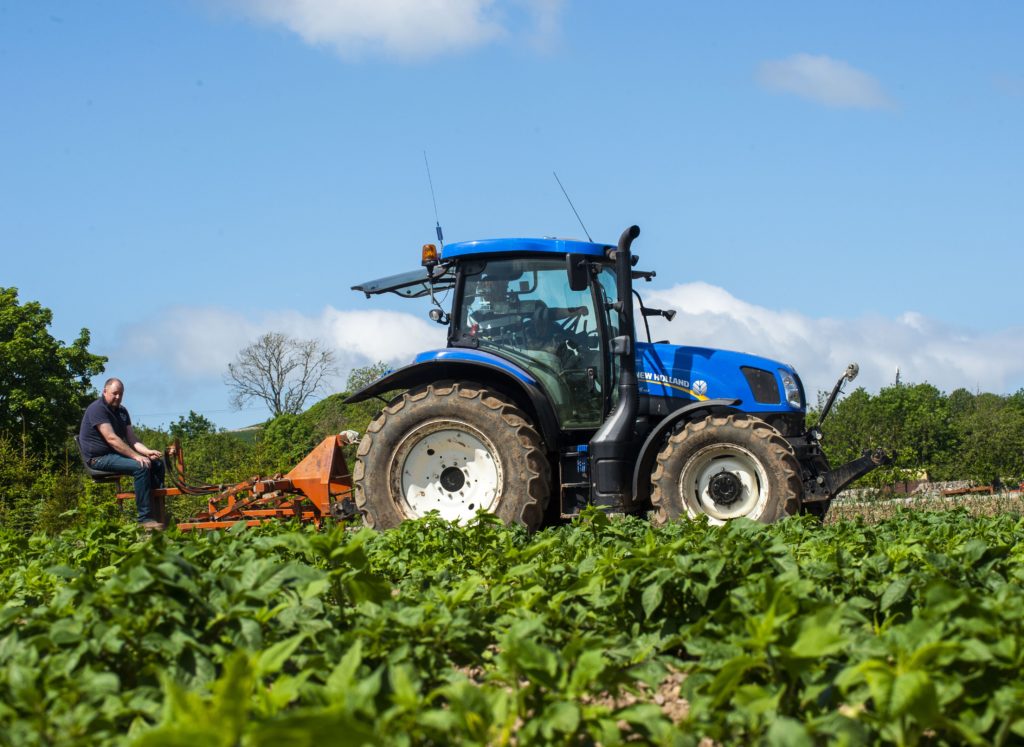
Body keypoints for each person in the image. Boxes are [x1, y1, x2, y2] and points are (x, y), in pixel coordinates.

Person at [79, 377, 166, 530]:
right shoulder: (97, 409)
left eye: (121, 394)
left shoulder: (122, 411)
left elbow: (131, 438)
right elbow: (112, 439)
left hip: (115, 455)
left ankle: (159, 514)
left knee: (157, 464)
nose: (118, 397)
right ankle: (145, 520)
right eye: (115, 393)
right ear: (104, 391)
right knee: (141, 466)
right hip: (98, 458)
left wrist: (147, 452)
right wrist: (136, 456)